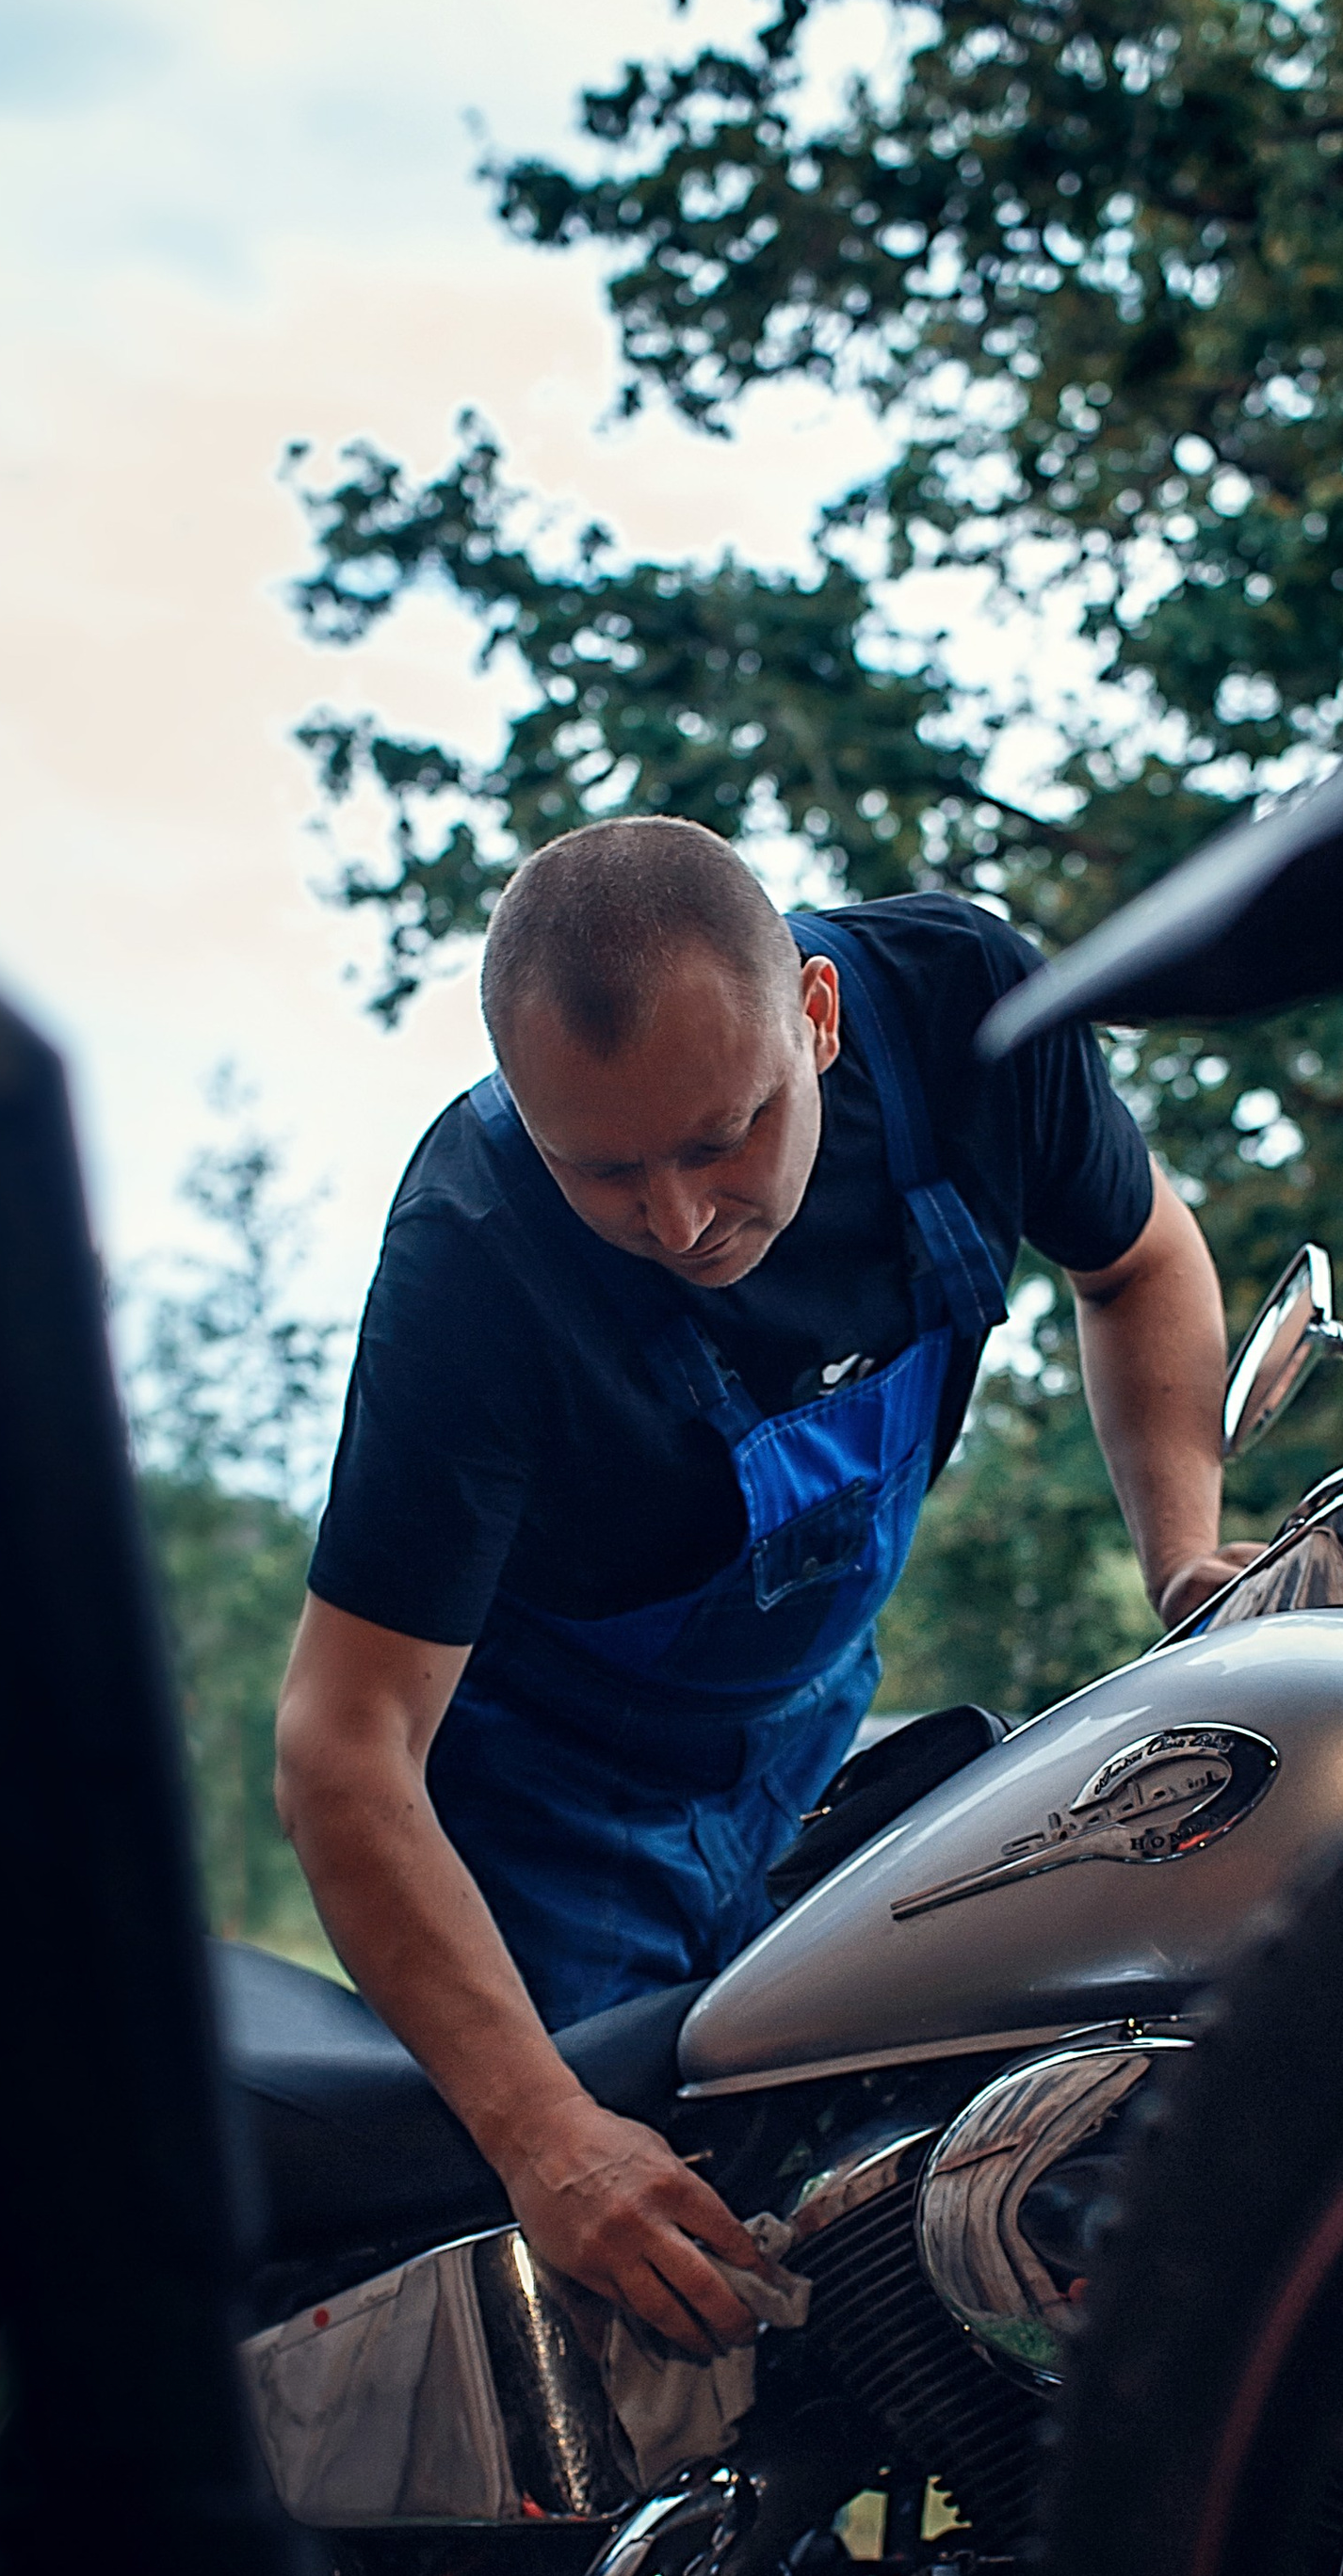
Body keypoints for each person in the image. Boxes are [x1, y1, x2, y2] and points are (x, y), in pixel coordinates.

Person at [275, 817, 1254, 2368]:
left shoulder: (968, 1019)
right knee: (633, 2324)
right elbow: (342, 1748)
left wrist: (1182, 1552)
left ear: (818, 1013)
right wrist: (545, 2135)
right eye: (603, 1168)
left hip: (805, 1743)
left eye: (720, 1139)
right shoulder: (474, 1249)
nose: (676, 1222)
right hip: (543, 1826)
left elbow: (1140, 1263)